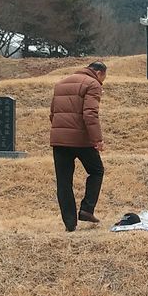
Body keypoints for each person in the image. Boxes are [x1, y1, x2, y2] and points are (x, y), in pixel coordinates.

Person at [50, 61, 107, 231]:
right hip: (81, 139)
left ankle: (70, 224)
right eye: (104, 77)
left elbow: (52, 113)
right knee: (97, 170)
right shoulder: (93, 84)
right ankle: (86, 209)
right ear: (98, 72)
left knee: (64, 181)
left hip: (59, 140)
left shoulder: (61, 83)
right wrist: (97, 140)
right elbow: (90, 114)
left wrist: (61, 133)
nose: (103, 81)